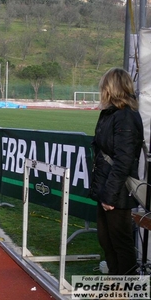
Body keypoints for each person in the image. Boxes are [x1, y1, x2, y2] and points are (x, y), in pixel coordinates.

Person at [89, 67, 143, 275]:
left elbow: (124, 159)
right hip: (106, 187)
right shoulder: (111, 113)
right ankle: (116, 283)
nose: (102, 90)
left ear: (111, 88)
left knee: (120, 242)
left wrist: (109, 196)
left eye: (104, 86)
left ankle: (126, 287)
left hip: (117, 191)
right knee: (106, 239)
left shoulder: (125, 116)